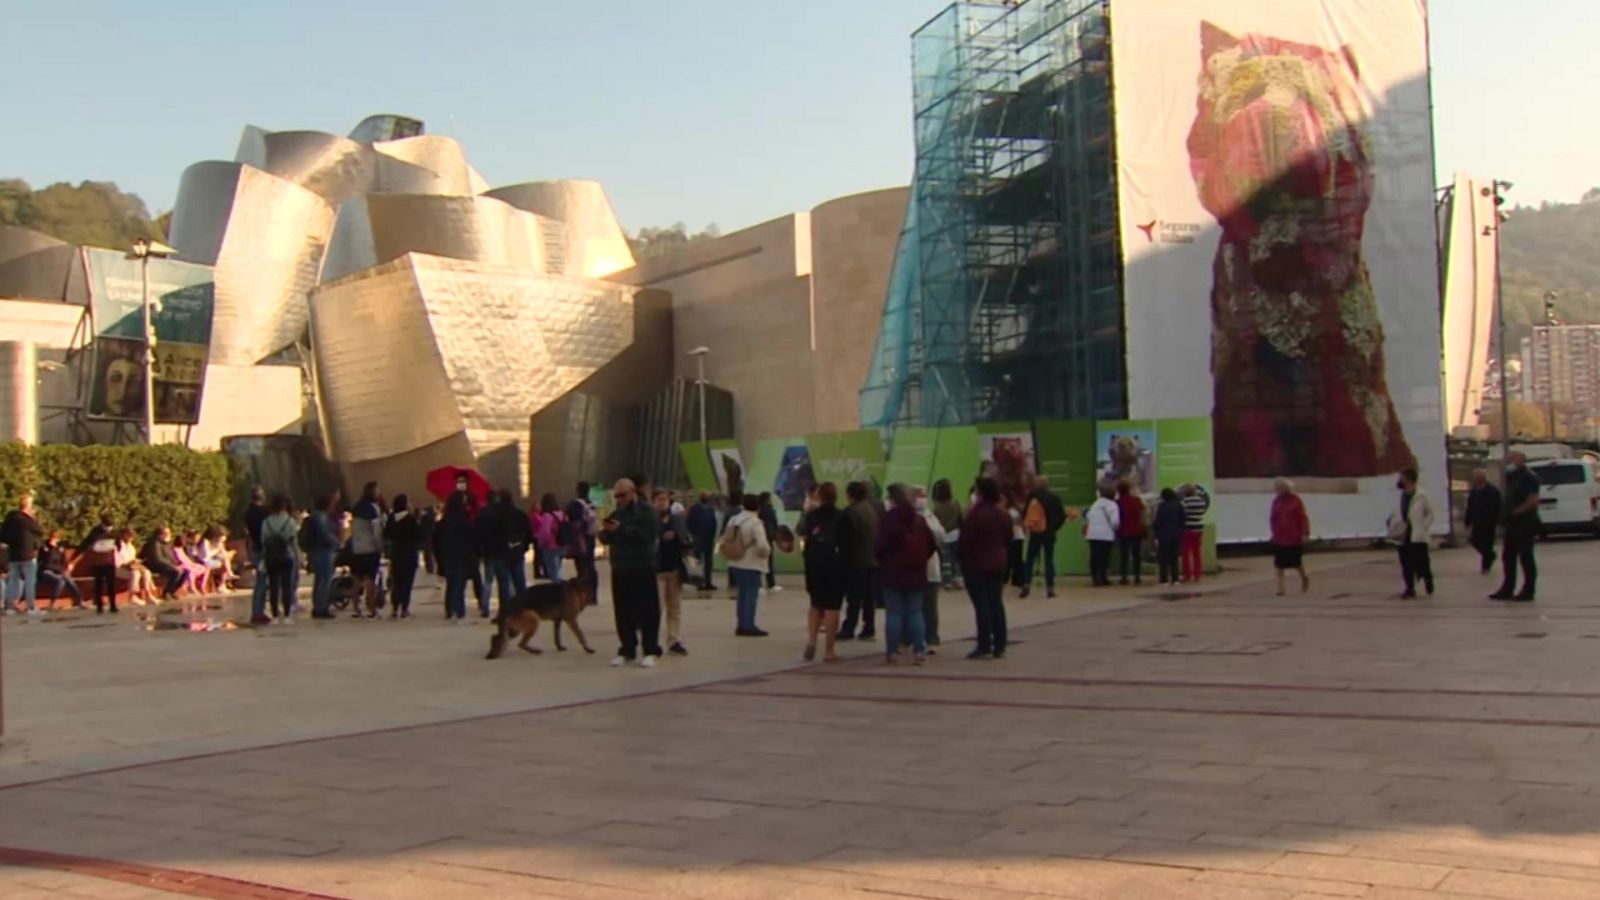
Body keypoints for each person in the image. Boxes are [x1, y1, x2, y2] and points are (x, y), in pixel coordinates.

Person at [599, 478, 663, 666]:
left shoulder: (647, 512)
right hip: (621, 567)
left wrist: (623, 529)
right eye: (617, 496)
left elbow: (648, 535)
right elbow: (608, 538)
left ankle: (650, 649)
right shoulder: (617, 513)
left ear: (633, 492)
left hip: (642, 566)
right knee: (623, 610)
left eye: (623, 495)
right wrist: (604, 533)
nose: (620, 499)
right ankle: (627, 648)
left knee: (648, 609)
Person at [876, 484, 935, 665]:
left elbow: (879, 547)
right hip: (916, 573)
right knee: (915, 612)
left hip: (892, 573)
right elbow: (931, 545)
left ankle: (893, 652)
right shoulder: (919, 519)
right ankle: (919, 651)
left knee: (894, 614)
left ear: (892, 500)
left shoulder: (887, 520)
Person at [958, 477, 1011, 659]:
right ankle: (1000, 643)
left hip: (976, 564)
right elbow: (1008, 538)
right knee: (996, 602)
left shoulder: (975, 515)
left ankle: (984, 643)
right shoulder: (1002, 513)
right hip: (998, 563)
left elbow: (965, 540)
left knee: (982, 605)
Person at [800, 482, 847, 662]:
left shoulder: (811, 516)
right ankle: (829, 649)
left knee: (815, 604)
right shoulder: (841, 516)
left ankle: (812, 640)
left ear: (819, 496)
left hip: (814, 563)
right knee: (832, 607)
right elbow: (846, 544)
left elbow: (805, 538)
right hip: (834, 564)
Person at [1491, 451, 1541, 602]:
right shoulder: (1512, 476)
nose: (1511, 460)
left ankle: (1528, 590)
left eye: (1514, 458)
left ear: (1522, 459)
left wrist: (1517, 511)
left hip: (1524, 522)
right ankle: (1507, 588)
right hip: (1512, 523)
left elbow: (1533, 500)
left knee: (1526, 557)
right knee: (1508, 556)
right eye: (1510, 458)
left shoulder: (1529, 477)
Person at [836, 481, 879, 642]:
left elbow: (845, 541)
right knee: (869, 597)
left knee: (854, 597)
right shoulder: (870, 510)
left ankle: (849, 628)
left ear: (849, 495)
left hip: (855, 561)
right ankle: (869, 627)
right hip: (872, 559)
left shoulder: (850, 512)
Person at [724, 493, 772, 637]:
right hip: (751, 563)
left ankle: (741, 624)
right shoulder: (755, 522)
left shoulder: (734, 519)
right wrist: (767, 553)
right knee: (751, 595)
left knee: (742, 594)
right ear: (758, 506)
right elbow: (762, 546)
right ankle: (748, 625)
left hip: (735, 561)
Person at [478, 488, 530, 619]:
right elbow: (528, 533)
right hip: (516, 552)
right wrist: (524, 547)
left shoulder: (490, 516)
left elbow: (484, 535)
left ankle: (505, 612)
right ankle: (523, 609)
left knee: (504, 584)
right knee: (519, 583)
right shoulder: (519, 514)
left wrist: (487, 550)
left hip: (499, 554)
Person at [1388, 467, 1436, 599]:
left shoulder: (1422, 495)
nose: (1399, 480)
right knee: (1405, 562)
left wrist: (1423, 527)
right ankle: (1409, 588)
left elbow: (1430, 514)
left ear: (1408, 479)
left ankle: (1427, 579)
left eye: (1401, 477)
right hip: (1403, 534)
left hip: (1417, 535)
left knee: (1422, 561)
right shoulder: (1400, 495)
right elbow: (1396, 512)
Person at [653, 489, 690, 656]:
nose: (663, 503)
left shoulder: (677, 520)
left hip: (674, 568)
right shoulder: (651, 520)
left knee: (675, 607)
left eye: (665, 500)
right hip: (656, 569)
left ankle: (674, 639)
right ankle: (655, 641)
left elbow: (686, 539)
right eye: (659, 500)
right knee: (656, 608)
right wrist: (661, 537)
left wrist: (678, 537)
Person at [434, 491, 478, 622]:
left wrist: (439, 557)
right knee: (459, 583)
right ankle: (459, 610)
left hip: (447, 555)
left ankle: (449, 609)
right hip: (462, 555)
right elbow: (471, 539)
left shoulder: (444, 521)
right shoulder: (465, 520)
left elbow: (436, 540)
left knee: (451, 583)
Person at [1020, 476, 1066, 598]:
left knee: (1030, 559)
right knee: (1049, 559)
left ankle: (1026, 585)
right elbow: (1062, 516)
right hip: (1049, 533)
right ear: (1047, 485)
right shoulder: (1054, 498)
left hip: (1035, 532)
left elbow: (1025, 514)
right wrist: (1054, 527)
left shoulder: (1032, 498)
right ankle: (1050, 588)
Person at [257, 496, 299, 623]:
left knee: (274, 586)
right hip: (287, 556)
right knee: (287, 585)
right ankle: (287, 614)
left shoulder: (266, 522)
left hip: (271, 557)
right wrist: (299, 556)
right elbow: (294, 542)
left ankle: (275, 614)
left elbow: (263, 541)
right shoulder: (290, 522)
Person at [916, 486, 947, 655]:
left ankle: (931, 638)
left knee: (929, 607)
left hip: (929, 568)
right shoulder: (909, 516)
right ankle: (912, 638)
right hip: (915, 569)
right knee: (914, 607)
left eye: (924, 495)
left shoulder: (930, 516)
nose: (922, 498)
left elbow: (940, 534)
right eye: (919, 495)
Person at [1, 493, 45, 614]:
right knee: (30, 581)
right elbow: (39, 530)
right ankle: (31, 606)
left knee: (13, 581)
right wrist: (32, 517)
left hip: (13, 554)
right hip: (27, 554)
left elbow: (3, 535)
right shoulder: (26, 519)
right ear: (28, 506)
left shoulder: (9, 518)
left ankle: (9, 607)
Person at [348, 482, 386, 619]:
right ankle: (371, 608)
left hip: (357, 547)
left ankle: (356, 608)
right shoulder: (373, 508)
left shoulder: (357, 507)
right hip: (370, 548)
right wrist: (380, 546)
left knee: (356, 578)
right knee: (370, 579)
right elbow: (375, 530)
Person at [1269, 478, 1311, 597]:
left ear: (1287, 488)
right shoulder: (1276, 501)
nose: (1278, 490)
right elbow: (1273, 518)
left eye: (1280, 488)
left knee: (1296, 563)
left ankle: (1304, 578)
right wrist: (1273, 532)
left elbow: (1303, 518)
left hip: (1293, 536)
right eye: (1277, 488)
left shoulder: (1296, 500)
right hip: (1280, 536)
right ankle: (1280, 588)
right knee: (1279, 563)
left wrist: (1304, 533)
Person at [304, 495, 342, 620]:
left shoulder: (312, 517)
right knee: (324, 581)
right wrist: (336, 543)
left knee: (318, 580)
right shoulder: (321, 518)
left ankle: (317, 606)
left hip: (315, 551)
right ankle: (322, 607)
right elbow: (325, 535)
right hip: (324, 551)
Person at [385, 494, 422, 618]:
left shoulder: (392, 518)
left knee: (397, 581)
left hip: (396, 553)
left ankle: (395, 608)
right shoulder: (410, 519)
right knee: (407, 582)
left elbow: (387, 534)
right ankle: (404, 608)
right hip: (409, 553)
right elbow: (419, 535)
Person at [1464, 469, 1503, 575]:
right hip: (1477, 521)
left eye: (1475, 477)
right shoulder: (1474, 492)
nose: (1474, 480)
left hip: (1489, 522)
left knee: (1487, 544)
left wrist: (1498, 521)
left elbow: (1498, 507)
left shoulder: (1493, 491)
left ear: (1481, 478)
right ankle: (1490, 556)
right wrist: (1467, 521)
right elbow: (1470, 507)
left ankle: (1485, 567)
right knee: (1475, 540)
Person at [81, 515, 121, 614]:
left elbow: (119, 544)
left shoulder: (114, 532)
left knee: (111, 584)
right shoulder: (96, 532)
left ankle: (113, 605)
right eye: (107, 526)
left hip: (109, 561)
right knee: (98, 583)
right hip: (98, 562)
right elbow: (86, 543)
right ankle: (99, 606)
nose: (109, 528)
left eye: (110, 526)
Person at [36, 530, 84, 609]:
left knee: (68, 579)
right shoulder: (45, 548)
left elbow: (64, 562)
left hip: (58, 571)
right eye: (52, 538)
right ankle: (52, 603)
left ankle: (79, 601)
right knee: (60, 580)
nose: (53, 540)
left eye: (55, 539)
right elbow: (46, 563)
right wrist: (50, 548)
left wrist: (64, 570)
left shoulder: (60, 549)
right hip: (46, 571)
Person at [1085, 484, 1121, 587]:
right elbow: (1115, 522)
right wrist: (1115, 529)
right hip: (1106, 534)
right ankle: (1103, 577)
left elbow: (1088, 516)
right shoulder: (1112, 505)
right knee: (1104, 557)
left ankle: (1095, 578)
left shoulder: (1095, 504)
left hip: (1092, 534)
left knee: (1094, 557)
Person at [244, 486, 271, 622]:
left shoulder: (248, 512)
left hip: (255, 548)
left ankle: (258, 611)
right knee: (262, 582)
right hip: (263, 549)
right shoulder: (262, 513)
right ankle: (258, 612)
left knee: (261, 581)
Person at [931, 479, 963, 590]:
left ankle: (947, 582)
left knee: (946, 561)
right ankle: (958, 579)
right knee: (957, 559)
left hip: (944, 535)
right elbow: (960, 517)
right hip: (955, 533)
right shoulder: (955, 504)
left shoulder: (937, 507)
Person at [1115, 480, 1147, 586]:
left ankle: (1124, 577)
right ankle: (1137, 577)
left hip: (1123, 531)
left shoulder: (1118, 503)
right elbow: (1143, 513)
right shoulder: (1136, 500)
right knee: (1136, 555)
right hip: (1137, 530)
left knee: (1124, 555)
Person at [141, 526, 188, 600]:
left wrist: (176, 564)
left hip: (166, 565)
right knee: (176, 572)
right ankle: (166, 593)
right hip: (155, 565)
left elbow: (171, 557)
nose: (169, 535)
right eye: (166, 533)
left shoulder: (167, 544)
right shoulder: (154, 543)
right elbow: (158, 559)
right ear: (159, 534)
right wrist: (172, 566)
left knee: (186, 571)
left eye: (169, 533)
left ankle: (172, 591)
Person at [565, 481, 599, 582]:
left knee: (582, 568)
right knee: (590, 565)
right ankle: (592, 590)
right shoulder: (591, 504)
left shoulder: (575, 505)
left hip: (580, 540)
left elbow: (575, 524)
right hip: (591, 538)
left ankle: (584, 591)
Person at [530, 493, 567, 584]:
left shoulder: (547, 516)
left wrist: (541, 544)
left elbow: (545, 532)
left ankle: (558, 591)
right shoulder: (562, 514)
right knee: (557, 570)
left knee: (553, 573)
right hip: (562, 544)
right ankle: (559, 588)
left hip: (550, 546)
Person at [1152, 488, 1185, 587]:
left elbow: (1158, 521)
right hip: (1175, 535)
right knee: (1174, 558)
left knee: (1163, 559)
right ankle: (1176, 579)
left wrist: (1156, 533)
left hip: (1163, 536)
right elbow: (1183, 519)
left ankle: (1164, 580)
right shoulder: (1178, 505)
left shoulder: (1162, 506)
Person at [687, 492, 719, 592]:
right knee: (698, 561)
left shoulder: (711, 509)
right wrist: (693, 534)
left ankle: (708, 582)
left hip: (709, 538)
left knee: (709, 561)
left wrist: (713, 536)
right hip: (698, 537)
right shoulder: (695, 508)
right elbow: (689, 522)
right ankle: (699, 582)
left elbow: (714, 523)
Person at [1179, 483, 1211, 583]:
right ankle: (1197, 575)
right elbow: (1202, 511)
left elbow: (1182, 514)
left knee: (1186, 552)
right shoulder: (1201, 502)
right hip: (1198, 528)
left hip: (1187, 528)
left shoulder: (1184, 501)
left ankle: (1187, 575)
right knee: (1197, 552)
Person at [114, 527, 154, 606]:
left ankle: (148, 595)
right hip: (118, 569)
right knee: (135, 574)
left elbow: (132, 559)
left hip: (129, 567)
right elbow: (117, 562)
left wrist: (136, 562)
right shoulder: (117, 546)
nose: (131, 538)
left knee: (146, 572)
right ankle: (132, 596)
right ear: (124, 535)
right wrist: (129, 564)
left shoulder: (131, 547)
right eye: (129, 536)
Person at [758, 492, 782, 592]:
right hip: (768, 538)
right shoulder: (770, 511)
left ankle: (758, 585)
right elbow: (775, 524)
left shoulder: (758, 511)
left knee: (758, 561)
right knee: (769, 562)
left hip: (759, 538)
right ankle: (770, 584)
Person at [419, 503, 438, 576]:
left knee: (427, 551)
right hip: (431, 535)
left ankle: (429, 566)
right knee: (430, 551)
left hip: (426, 535)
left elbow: (421, 526)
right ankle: (431, 567)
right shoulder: (433, 517)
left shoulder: (424, 517)